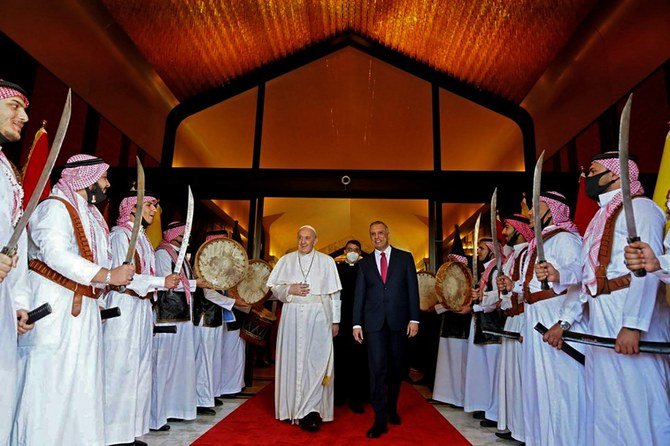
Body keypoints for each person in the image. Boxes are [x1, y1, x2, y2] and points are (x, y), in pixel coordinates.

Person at [13, 154, 135, 446]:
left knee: (82, 386)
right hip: (55, 308)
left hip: (83, 311)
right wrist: (106, 275)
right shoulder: (55, 208)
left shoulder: (90, 216)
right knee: (51, 386)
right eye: (103, 178)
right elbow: (55, 254)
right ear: (87, 178)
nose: (107, 185)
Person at [574, 152, 670, 445]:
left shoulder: (640, 209)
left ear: (615, 175)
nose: (585, 178)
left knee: (636, 396)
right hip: (603, 314)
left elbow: (646, 268)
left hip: (626, 310)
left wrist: (633, 324)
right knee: (605, 398)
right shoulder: (600, 216)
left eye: (592, 170)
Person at [103, 190, 180, 446]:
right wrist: (161, 281)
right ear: (132, 208)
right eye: (148, 206)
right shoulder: (119, 235)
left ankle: (129, 433)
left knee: (139, 369)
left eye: (154, 207)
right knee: (119, 368)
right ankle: (112, 435)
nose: (153, 211)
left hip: (141, 308)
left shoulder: (144, 239)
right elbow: (122, 276)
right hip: (123, 305)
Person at [267, 225, 342, 432]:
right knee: (293, 360)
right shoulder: (286, 260)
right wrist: (289, 289)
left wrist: (335, 322)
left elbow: (334, 295)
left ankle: (312, 410)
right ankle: (292, 408)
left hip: (319, 316)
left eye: (307, 238)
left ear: (315, 240)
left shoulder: (326, 262)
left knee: (317, 362)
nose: (303, 241)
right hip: (292, 315)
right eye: (300, 237)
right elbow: (273, 289)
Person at [353, 221, 420, 439]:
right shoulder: (364, 264)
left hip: (399, 322)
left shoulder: (405, 258)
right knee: (377, 370)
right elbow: (359, 296)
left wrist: (414, 319)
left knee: (396, 370)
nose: (377, 237)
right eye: (373, 234)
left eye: (380, 233)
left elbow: (412, 290)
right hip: (373, 325)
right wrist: (356, 323)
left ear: (387, 234)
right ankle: (380, 420)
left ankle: (392, 408)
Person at [0, 80, 33, 445]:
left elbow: (16, 242)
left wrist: (20, 303)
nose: (23, 116)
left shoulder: (8, 171)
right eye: (13, 106)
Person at [150, 221, 202, 431]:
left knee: (181, 365)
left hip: (183, 316)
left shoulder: (180, 255)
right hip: (168, 317)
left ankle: (175, 409)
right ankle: (158, 414)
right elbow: (166, 282)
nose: (186, 238)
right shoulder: (163, 254)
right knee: (165, 365)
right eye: (184, 234)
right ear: (175, 235)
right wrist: (197, 284)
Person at [493, 214, 532, 443]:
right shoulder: (512, 257)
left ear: (519, 229)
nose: (504, 232)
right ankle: (514, 426)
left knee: (522, 376)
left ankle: (525, 429)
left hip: (524, 319)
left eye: (507, 227)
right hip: (511, 319)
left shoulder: (528, 252)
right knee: (510, 376)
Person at [463, 237, 503, 428]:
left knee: (493, 370)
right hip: (481, 323)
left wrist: (481, 300)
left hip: (492, 326)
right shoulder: (486, 270)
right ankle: (485, 405)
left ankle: (495, 412)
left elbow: (498, 296)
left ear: (492, 250)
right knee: (482, 369)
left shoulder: (496, 270)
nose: (477, 251)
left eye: (481, 248)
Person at [432, 253, 471, 409]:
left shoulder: (466, 279)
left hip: (460, 326)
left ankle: (459, 398)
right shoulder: (450, 279)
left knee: (458, 362)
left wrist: (435, 308)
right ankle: (447, 396)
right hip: (448, 324)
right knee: (447, 361)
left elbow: (457, 301)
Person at [334, 239, 368, 413]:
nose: (352, 252)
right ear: (345, 251)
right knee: (339, 358)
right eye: (349, 249)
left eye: (356, 249)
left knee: (358, 360)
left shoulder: (366, 270)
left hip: (359, 322)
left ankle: (357, 398)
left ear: (360, 253)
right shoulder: (336, 269)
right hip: (340, 320)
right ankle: (339, 395)